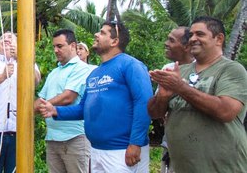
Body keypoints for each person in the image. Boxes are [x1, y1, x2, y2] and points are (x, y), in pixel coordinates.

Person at [39, 21, 152, 173]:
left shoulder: (130, 65)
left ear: (115, 41)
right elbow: (83, 109)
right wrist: (55, 111)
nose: (96, 34)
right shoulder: (94, 74)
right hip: (96, 150)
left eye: (102, 32)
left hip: (123, 151)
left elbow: (144, 102)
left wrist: (136, 143)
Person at [148, 16, 247, 172]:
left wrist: (180, 87)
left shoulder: (231, 70)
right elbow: (155, 112)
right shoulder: (181, 71)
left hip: (222, 167)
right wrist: (163, 95)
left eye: (200, 34)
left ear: (219, 39)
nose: (193, 39)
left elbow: (226, 111)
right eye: (191, 35)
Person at [0, 32, 41, 173]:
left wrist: (21, 59)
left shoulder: (28, 62)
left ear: (17, 43)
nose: (5, 39)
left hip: (19, 132)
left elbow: (35, 81)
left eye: (10, 38)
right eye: (2, 38)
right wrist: (2, 76)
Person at [34, 29, 92, 173]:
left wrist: (42, 105)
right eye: (54, 46)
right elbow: (43, 99)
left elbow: (68, 97)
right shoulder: (54, 72)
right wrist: (34, 106)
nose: (55, 50)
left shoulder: (82, 68)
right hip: (52, 138)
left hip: (74, 138)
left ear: (73, 46)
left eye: (60, 46)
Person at [156, 26, 192, 173]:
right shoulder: (168, 68)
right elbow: (158, 112)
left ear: (187, 46)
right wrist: (162, 98)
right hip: (171, 147)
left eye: (171, 40)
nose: (166, 43)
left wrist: (180, 87)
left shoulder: (203, 71)